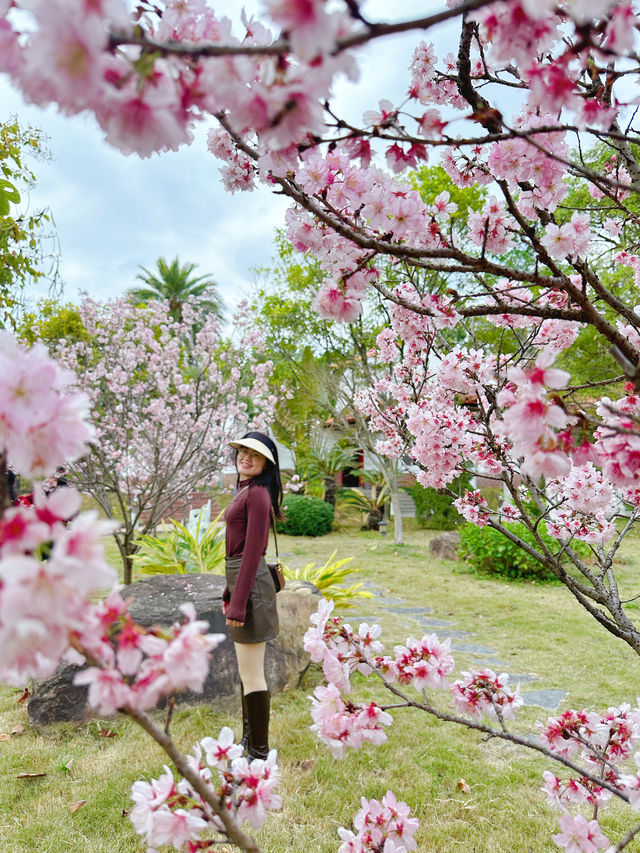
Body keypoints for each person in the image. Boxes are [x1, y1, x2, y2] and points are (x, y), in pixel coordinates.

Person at [223, 430, 284, 761]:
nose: (245, 457)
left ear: (266, 465)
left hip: (253, 589)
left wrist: (239, 602)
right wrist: (228, 590)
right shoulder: (244, 489)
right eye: (243, 452)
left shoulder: (258, 494)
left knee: (252, 673)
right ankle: (249, 741)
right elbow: (236, 551)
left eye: (255, 455)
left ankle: (259, 753)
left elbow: (252, 554)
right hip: (243, 584)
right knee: (247, 673)